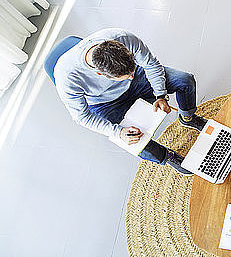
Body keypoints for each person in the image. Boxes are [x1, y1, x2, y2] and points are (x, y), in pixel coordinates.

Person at [54, 28, 207, 175]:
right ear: (100, 74)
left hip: (140, 80)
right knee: (132, 141)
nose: (131, 76)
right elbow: (82, 117)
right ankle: (168, 157)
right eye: (126, 75)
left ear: (124, 49)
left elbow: (151, 64)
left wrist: (160, 95)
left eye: (131, 70)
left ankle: (188, 117)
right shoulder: (67, 77)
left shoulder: (122, 37)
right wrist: (118, 132)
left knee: (185, 80)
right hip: (105, 103)